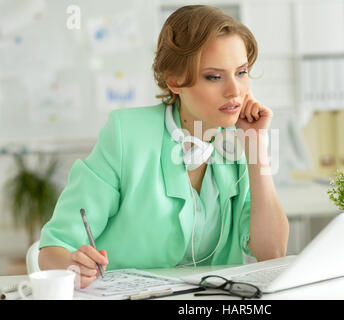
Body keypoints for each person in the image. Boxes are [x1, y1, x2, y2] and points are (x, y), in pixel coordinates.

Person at [38, 5, 289, 289]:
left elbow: (272, 252)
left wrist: (257, 149)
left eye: (241, 72)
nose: (235, 90)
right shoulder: (127, 134)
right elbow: (52, 250)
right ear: (175, 80)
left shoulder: (237, 143)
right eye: (214, 76)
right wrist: (72, 265)